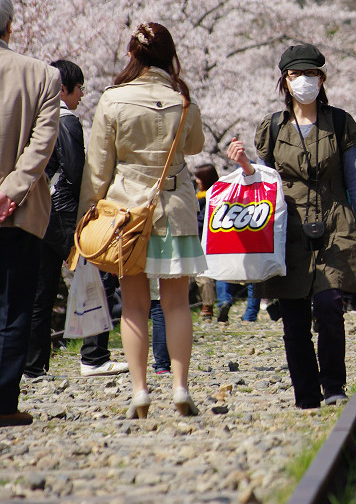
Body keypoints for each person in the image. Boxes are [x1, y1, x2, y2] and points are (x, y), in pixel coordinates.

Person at [228, 43, 356, 409]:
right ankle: (306, 394)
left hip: (334, 223)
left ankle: (333, 386)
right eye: (296, 75)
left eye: (310, 74)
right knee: (293, 316)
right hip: (287, 227)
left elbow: (355, 178)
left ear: (322, 78)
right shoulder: (273, 127)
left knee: (330, 304)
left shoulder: (340, 123)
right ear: (285, 80)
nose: (303, 81)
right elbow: (261, 183)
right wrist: (246, 167)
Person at [80, 22, 206, 418]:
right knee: (176, 304)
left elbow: (98, 167)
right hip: (175, 210)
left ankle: (139, 392)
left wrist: (87, 216)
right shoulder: (182, 98)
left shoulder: (113, 99)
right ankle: (181, 386)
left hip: (126, 215)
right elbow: (196, 145)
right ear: (170, 56)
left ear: (133, 55)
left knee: (134, 306)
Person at [24, 61, 111, 378]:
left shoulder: (34, 117)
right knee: (97, 276)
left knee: (41, 291)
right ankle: (94, 356)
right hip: (64, 210)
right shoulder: (68, 120)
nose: (82, 96)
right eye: (80, 89)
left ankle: (33, 365)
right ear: (64, 89)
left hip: (37, 209)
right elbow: (75, 172)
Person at [0, 0, 61, 426]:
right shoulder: (42, 75)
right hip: (18, 213)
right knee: (14, 306)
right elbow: (42, 146)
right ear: (9, 26)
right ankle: (3, 403)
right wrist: (12, 190)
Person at [193, 164, 219, 321]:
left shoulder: (208, 197)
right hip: (206, 237)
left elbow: (203, 220)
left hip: (203, 238)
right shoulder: (204, 195)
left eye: (199, 178)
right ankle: (209, 304)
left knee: (203, 274)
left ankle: (207, 306)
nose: (196, 181)